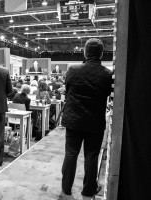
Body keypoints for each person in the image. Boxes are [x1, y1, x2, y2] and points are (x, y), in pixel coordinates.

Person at [60, 38, 112, 200]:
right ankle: (88, 191)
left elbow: (67, 91)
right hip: (95, 121)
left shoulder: (72, 70)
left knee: (70, 154)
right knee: (91, 156)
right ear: (102, 54)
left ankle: (66, 190)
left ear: (85, 52)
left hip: (73, 120)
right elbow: (108, 96)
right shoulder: (107, 74)